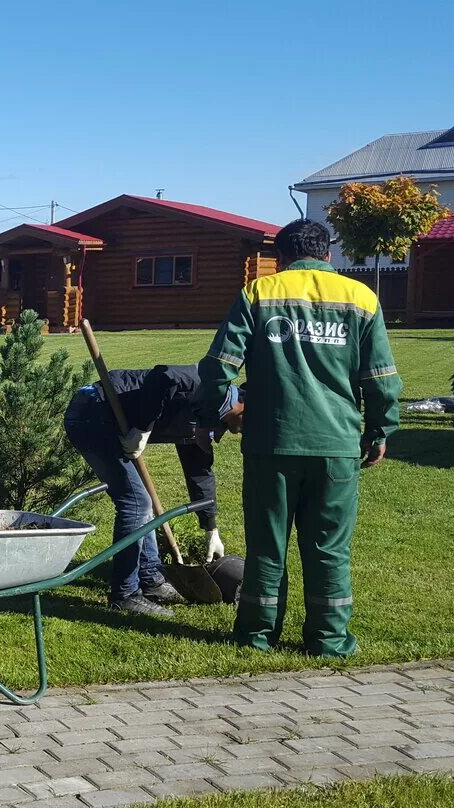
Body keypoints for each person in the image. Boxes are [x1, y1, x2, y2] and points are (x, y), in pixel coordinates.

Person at [194, 219, 401, 657]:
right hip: (337, 447)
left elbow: (217, 369)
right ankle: (329, 640)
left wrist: (222, 413)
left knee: (268, 546)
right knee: (329, 548)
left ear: (281, 256)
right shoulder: (362, 298)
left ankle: (256, 635)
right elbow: (380, 377)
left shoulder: (259, 293)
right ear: (328, 253)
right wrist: (381, 429)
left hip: (271, 443)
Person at [65, 366, 244, 617]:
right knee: (136, 503)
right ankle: (125, 594)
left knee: (142, 502)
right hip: (93, 409)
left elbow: (199, 472)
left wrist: (211, 528)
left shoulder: (210, 418)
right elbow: (163, 376)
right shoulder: (203, 384)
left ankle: (151, 580)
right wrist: (142, 428)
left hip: (109, 419)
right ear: (245, 405)